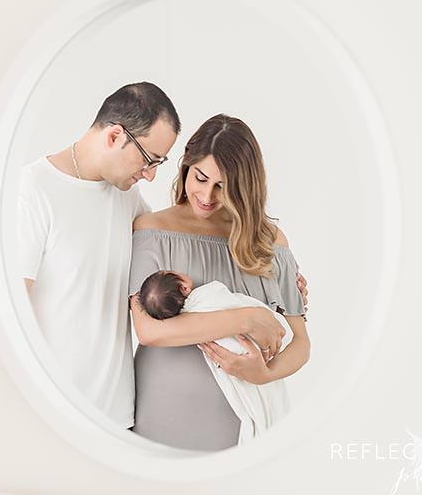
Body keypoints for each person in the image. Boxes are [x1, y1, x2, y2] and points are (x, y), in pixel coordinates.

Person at [17, 83, 289, 429]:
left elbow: (175, 248)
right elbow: (11, 315)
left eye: (160, 163)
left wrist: (283, 278)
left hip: (120, 417)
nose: (150, 175)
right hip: (53, 415)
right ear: (115, 136)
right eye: (149, 159)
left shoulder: (127, 199)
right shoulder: (33, 191)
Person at [129, 114, 311, 450]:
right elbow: (150, 331)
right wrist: (246, 318)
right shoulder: (151, 231)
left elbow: (301, 343)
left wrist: (265, 374)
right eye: (200, 178)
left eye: (223, 186)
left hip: (242, 425)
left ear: (244, 187)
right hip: (161, 412)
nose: (207, 195)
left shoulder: (270, 243)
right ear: (186, 167)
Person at [136, 270, 294, 444]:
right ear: (184, 286)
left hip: (165, 414)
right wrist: (247, 321)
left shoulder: (186, 323)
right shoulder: (208, 296)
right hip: (249, 355)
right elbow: (148, 334)